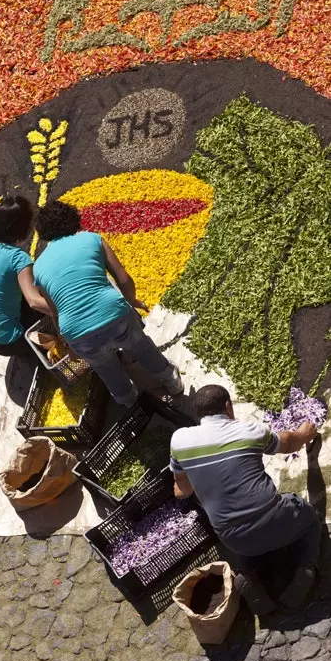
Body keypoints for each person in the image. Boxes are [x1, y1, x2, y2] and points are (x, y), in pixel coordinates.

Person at [170, 384, 320, 614]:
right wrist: (303, 434)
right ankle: (306, 569)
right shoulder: (248, 431)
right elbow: (288, 442)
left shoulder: (179, 441)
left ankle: (246, 574)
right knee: (310, 518)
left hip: (233, 536)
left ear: (199, 414)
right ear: (228, 407)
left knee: (243, 543)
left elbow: (182, 491)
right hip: (277, 519)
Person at [33, 200, 182, 405]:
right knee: (140, 346)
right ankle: (170, 379)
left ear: (43, 233)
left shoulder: (39, 266)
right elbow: (123, 279)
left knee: (105, 367)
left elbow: (54, 310)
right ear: (74, 220)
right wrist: (132, 300)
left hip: (76, 331)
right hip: (113, 313)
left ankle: (129, 400)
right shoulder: (92, 239)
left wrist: (66, 339)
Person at [0, 196, 52, 356]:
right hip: (10, 342)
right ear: (23, 229)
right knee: (42, 290)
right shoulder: (18, 259)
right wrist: (66, 314)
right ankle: (34, 348)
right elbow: (34, 301)